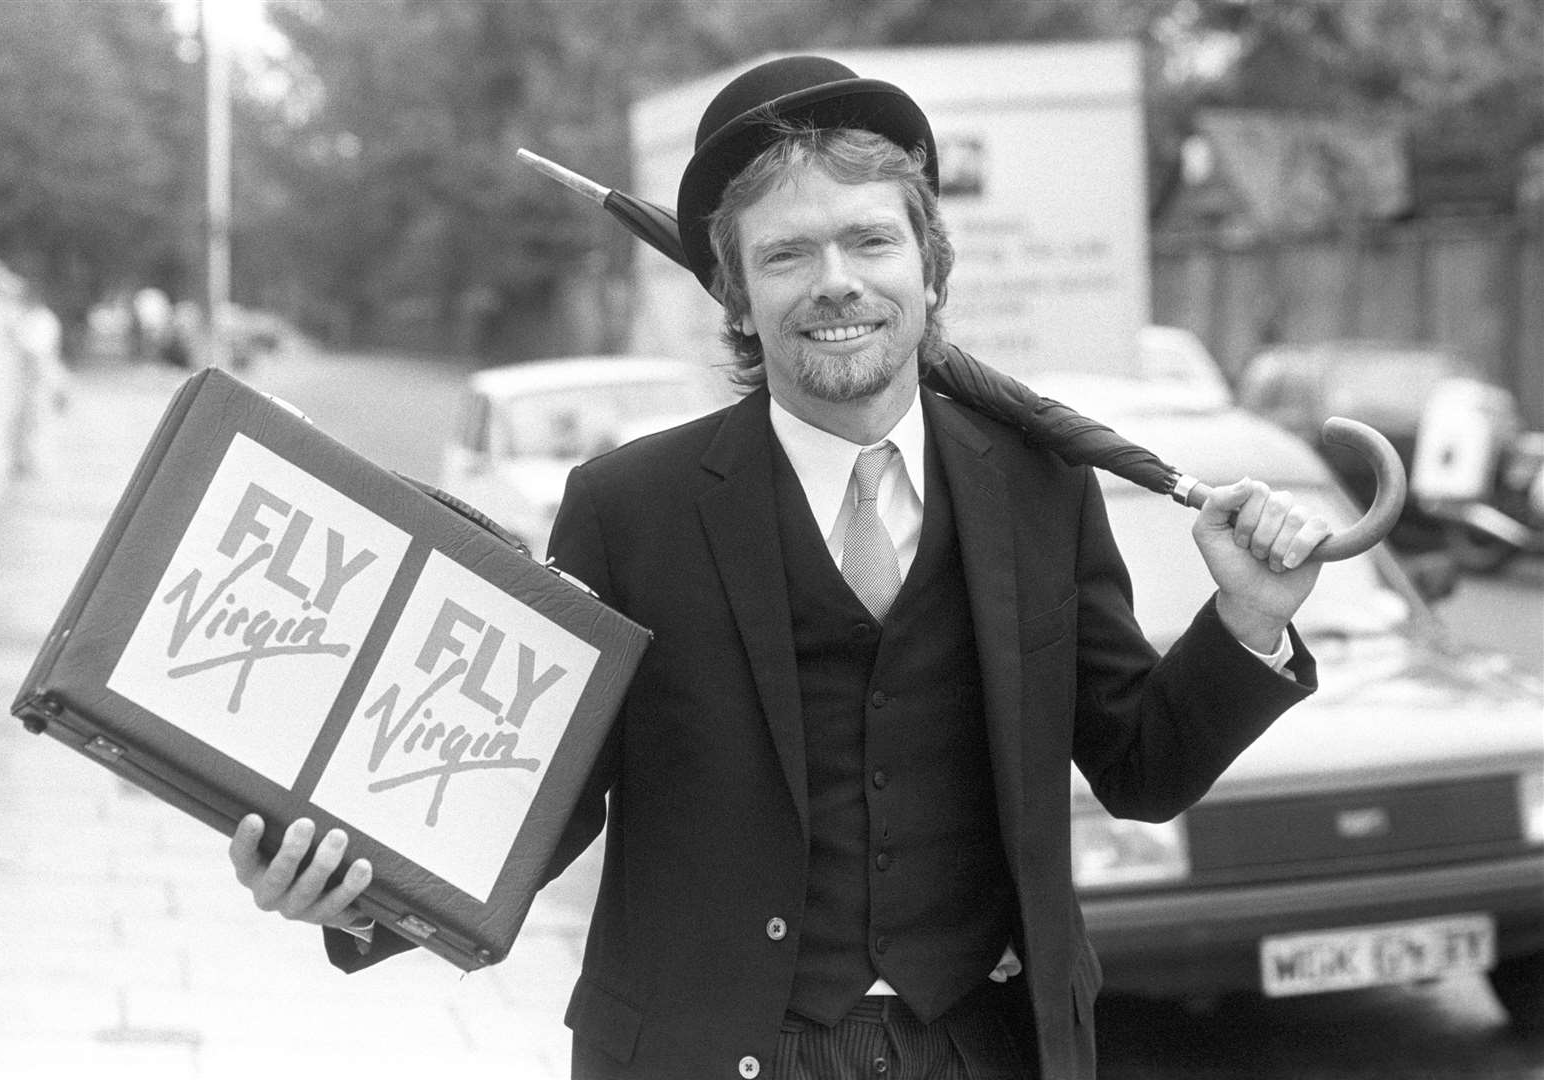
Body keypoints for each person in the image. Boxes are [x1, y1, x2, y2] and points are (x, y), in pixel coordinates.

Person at [228, 55, 1330, 1079]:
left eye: (869, 243)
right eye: (787, 255)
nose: (834, 283)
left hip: (987, 1049)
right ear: (736, 295)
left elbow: (1140, 766)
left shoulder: (1040, 487)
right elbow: (544, 798)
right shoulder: (628, 508)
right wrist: (358, 894)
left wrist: (1246, 626)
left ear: (930, 270)